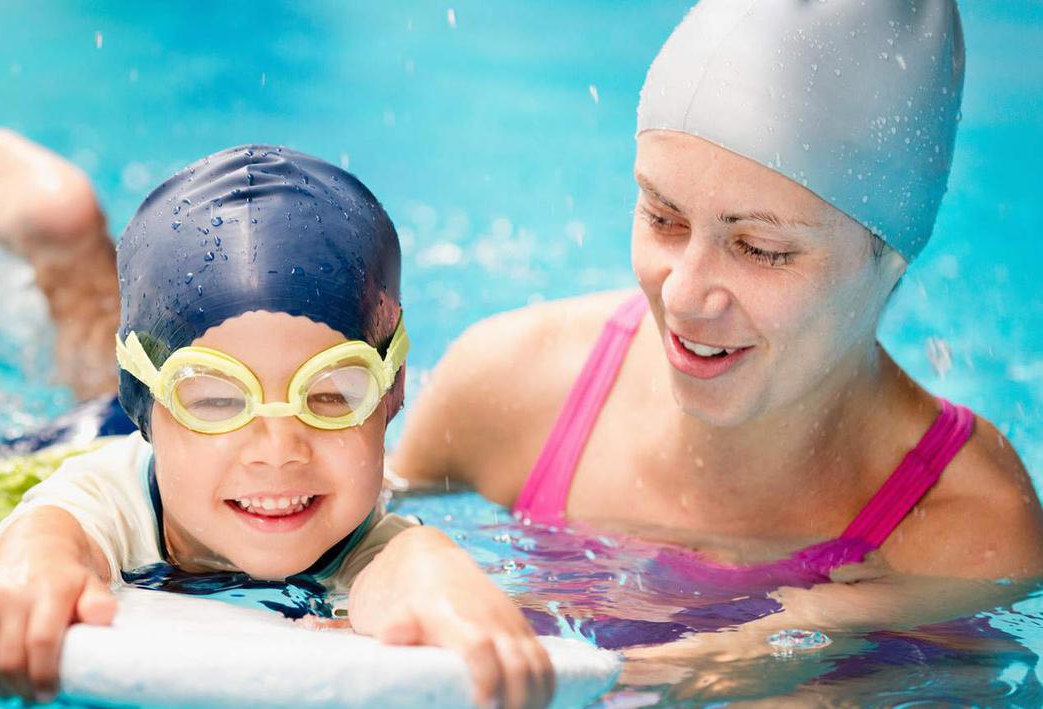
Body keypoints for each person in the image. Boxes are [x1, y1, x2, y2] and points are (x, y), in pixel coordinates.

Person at [389, 0, 1043, 658]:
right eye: (662, 218)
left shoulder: (967, 530)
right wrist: (404, 558)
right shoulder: (509, 387)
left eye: (761, 249)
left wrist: (813, 635)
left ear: (891, 260)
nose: (683, 294)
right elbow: (347, 544)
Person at [0, 146, 554, 709]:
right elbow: (54, 534)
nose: (279, 451)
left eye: (330, 395)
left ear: (390, 391)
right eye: (217, 398)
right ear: (148, 400)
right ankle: (63, 239)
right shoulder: (100, 499)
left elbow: (402, 564)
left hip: (182, 429)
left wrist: (440, 578)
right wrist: (35, 569)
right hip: (80, 440)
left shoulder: (362, 529)